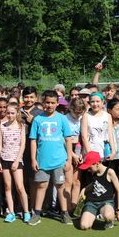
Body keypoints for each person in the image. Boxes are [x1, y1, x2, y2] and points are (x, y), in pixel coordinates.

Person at [28, 90, 72, 226]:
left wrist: (69, 158)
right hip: (42, 160)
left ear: (57, 103)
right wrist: (33, 159)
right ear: (43, 103)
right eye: (47, 102)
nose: (50, 105)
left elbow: (68, 139)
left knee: (60, 186)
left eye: (53, 103)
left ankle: (64, 213)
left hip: (59, 160)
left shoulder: (62, 118)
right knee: (41, 185)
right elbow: (33, 140)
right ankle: (37, 213)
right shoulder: (38, 119)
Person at [0, 104, 30, 223]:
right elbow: (0, 144)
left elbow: (23, 145)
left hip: (16, 160)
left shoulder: (21, 126)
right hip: (4, 159)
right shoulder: (2, 126)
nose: (10, 115)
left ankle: (26, 211)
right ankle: (11, 212)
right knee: (7, 186)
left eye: (12, 113)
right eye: (8, 113)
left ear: (17, 113)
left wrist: (17, 160)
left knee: (20, 187)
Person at [78, 151, 119, 230]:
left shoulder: (110, 172)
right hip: (91, 203)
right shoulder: (93, 172)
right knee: (84, 226)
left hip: (106, 202)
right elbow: (93, 184)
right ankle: (92, 217)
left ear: (97, 163)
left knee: (108, 216)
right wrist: (84, 189)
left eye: (89, 167)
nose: (88, 169)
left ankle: (109, 221)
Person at [64, 98, 86, 213]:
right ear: (71, 109)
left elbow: (84, 137)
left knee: (76, 181)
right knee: (68, 181)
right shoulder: (65, 118)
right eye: (76, 112)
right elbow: (63, 139)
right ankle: (66, 208)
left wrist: (81, 153)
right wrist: (72, 155)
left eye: (80, 112)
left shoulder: (83, 118)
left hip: (79, 148)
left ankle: (74, 206)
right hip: (67, 149)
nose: (78, 114)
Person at [81, 93, 115, 160]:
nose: (95, 104)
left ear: (102, 102)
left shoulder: (108, 116)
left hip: (105, 152)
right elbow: (84, 137)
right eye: (92, 102)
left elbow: (110, 135)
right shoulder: (86, 116)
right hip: (91, 151)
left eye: (97, 101)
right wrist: (90, 153)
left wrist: (113, 151)